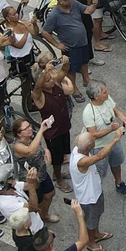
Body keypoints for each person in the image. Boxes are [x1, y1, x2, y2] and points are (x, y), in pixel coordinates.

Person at [69, 128, 124, 251]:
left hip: (95, 192)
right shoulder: (81, 161)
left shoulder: (78, 149)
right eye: (93, 140)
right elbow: (99, 156)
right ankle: (90, 242)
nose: (95, 140)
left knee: (97, 216)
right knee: (90, 221)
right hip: (89, 198)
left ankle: (97, 234)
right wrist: (115, 138)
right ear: (88, 147)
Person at [39, 0, 99, 103]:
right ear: (60, 1)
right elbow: (45, 32)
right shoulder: (54, 15)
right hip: (70, 47)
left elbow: (88, 10)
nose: (70, 0)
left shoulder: (75, 4)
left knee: (84, 61)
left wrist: (94, 4)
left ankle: (86, 80)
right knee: (71, 69)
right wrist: (57, 44)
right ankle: (74, 89)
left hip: (83, 42)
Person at [81, 81, 126, 199]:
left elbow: (115, 109)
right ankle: (94, 194)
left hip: (114, 141)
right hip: (99, 148)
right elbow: (93, 134)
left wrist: (123, 118)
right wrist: (111, 129)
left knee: (116, 163)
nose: (108, 93)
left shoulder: (106, 99)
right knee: (98, 172)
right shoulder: (88, 112)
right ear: (96, 96)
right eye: (105, 92)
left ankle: (119, 184)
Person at [31, 56, 74, 193]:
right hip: (53, 133)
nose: (51, 80)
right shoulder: (39, 96)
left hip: (64, 127)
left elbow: (64, 71)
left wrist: (66, 62)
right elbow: (37, 87)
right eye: (47, 79)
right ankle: (58, 177)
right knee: (56, 159)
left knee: (62, 154)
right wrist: (44, 73)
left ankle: (59, 173)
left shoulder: (56, 84)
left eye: (50, 77)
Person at [12, 118, 58, 225]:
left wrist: (46, 151)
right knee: (37, 201)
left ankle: (44, 215)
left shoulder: (33, 136)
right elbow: (30, 151)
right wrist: (42, 130)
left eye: (29, 126)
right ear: (19, 134)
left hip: (41, 172)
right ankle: (38, 221)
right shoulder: (17, 146)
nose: (30, 129)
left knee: (50, 193)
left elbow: (39, 145)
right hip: (31, 178)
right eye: (26, 128)